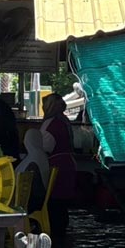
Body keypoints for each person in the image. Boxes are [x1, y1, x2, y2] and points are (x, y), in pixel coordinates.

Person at [40, 93, 77, 236]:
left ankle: (55, 233)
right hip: (68, 163)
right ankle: (62, 233)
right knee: (62, 204)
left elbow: (45, 147)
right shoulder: (64, 120)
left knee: (54, 201)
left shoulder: (50, 124)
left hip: (56, 165)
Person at [14, 129, 49, 213]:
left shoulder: (33, 161)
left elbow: (26, 185)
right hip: (38, 200)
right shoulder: (40, 156)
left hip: (30, 203)